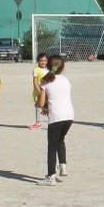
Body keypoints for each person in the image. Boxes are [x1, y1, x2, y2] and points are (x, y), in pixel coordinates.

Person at [36, 55, 74, 186]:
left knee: (52, 146)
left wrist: (42, 106)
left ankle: (51, 176)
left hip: (56, 117)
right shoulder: (66, 80)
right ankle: (63, 164)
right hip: (69, 115)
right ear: (62, 68)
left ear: (47, 66)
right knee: (60, 140)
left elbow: (41, 103)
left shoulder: (45, 82)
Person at [30, 52, 50, 130]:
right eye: (41, 60)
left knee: (49, 106)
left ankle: (52, 123)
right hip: (39, 91)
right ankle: (38, 123)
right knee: (38, 106)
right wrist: (39, 92)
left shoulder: (49, 70)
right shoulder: (36, 70)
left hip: (48, 91)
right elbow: (35, 82)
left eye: (45, 60)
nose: (43, 62)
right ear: (38, 61)